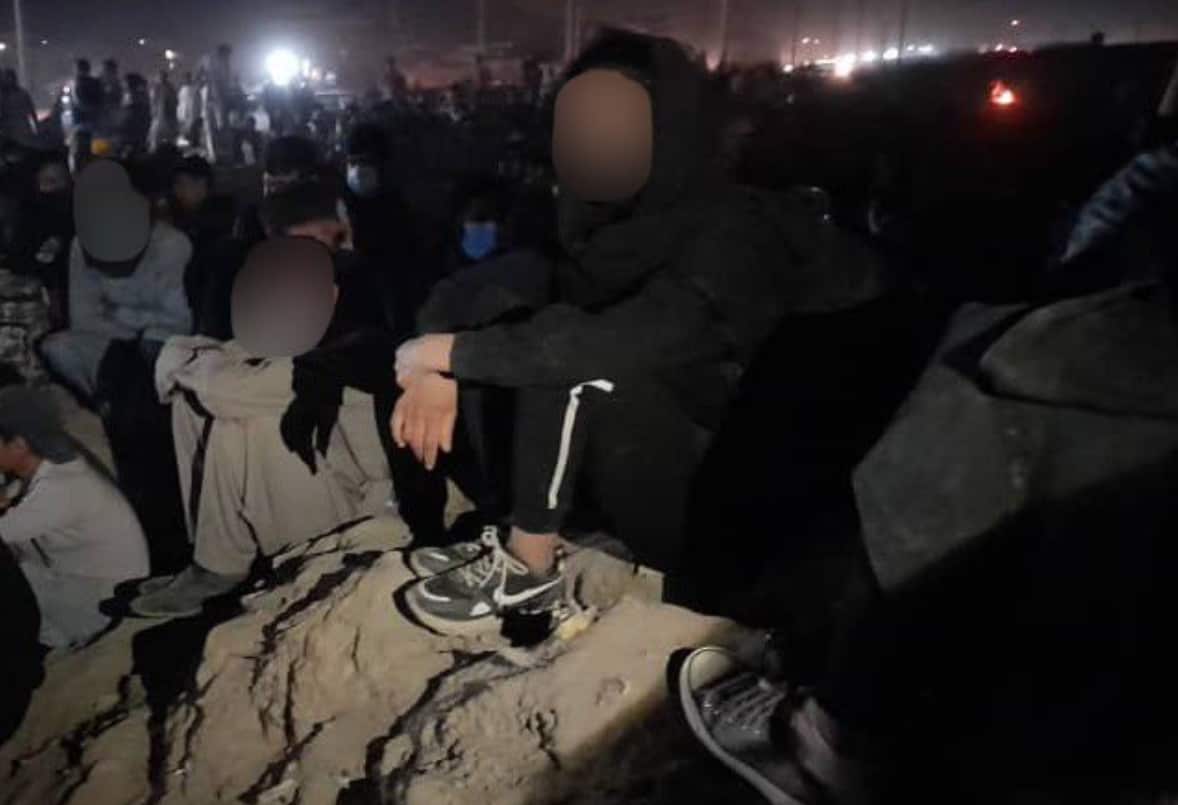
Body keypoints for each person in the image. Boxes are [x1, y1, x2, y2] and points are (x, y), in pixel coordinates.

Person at [392, 31, 874, 636]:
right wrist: (430, 367)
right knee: (508, 318)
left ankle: (528, 571)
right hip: (666, 458)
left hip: (758, 497)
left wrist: (443, 354)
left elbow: (624, 339)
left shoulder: (741, 230)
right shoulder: (603, 224)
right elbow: (470, 289)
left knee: (565, 355)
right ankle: (522, 524)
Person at [127, 237, 396, 618]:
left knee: (243, 417)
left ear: (331, 296)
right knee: (198, 398)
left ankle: (223, 565)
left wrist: (183, 360)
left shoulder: (347, 346)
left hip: (367, 513)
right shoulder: (307, 332)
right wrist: (191, 361)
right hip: (332, 485)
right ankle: (215, 561)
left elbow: (228, 387)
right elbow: (229, 356)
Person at [0, 386, 149, 648]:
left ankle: (46, 644)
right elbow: (13, 498)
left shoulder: (61, 489)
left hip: (104, 606)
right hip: (88, 583)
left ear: (20, 444)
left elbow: (9, 524)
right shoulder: (55, 461)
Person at [40, 160, 193, 403]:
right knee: (57, 348)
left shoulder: (172, 245)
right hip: (113, 343)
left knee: (153, 348)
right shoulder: (83, 245)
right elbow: (83, 319)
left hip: (159, 345)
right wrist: (131, 332)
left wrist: (118, 313)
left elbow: (177, 322)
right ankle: (107, 405)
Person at [0, 69, 37, 144]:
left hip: (18, 128)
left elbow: (31, 110)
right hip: (12, 129)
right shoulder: (20, 93)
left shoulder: (21, 94)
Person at [121, 73, 152, 157]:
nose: (123, 84)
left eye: (124, 82)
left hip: (133, 133)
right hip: (137, 133)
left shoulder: (134, 97)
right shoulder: (141, 96)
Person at [149, 70, 180, 151]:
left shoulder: (168, 88)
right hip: (162, 117)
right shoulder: (159, 88)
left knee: (164, 138)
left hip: (165, 117)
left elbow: (175, 102)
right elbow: (153, 102)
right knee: (159, 138)